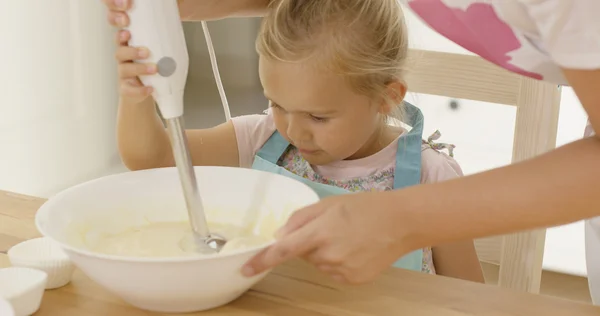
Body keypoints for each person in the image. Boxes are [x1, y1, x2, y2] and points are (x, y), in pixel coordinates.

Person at [103, 0, 600, 287]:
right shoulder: (261, 137)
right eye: (276, 103)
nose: (294, 130)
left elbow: (465, 297)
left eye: (319, 115)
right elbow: (153, 160)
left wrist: (404, 220)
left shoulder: (429, 178)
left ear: (386, 99)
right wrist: (136, 95)